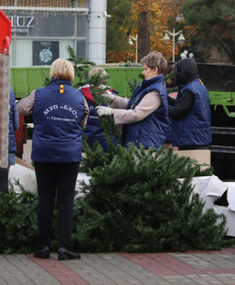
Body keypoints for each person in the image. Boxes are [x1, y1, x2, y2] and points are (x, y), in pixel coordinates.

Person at [17, 58, 88, 261]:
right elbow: (83, 121)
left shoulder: (38, 94)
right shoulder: (79, 97)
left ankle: (42, 247)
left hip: (44, 154)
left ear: (53, 73)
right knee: (66, 200)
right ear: (71, 74)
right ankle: (65, 247)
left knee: (45, 199)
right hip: (69, 155)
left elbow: (22, 108)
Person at [96, 51, 171, 149]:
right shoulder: (148, 87)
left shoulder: (155, 91)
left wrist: (112, 112)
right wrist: (113, 98)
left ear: (155, 70)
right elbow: (132, 103)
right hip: (140, 140)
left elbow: (137, 113)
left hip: (145, 144)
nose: (143, 72)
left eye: (145, 69)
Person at [168, 58, 211, 152]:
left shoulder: (189, 90)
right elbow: (182, 105)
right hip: (199, 138)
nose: (176, 75)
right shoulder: (198, 85)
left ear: (185, 71)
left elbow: (179, 111)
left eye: (178, 71)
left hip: (192, 141)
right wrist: (166, 99)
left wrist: (161, 105)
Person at [80, 67, 117, 151]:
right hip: (107, 143)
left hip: (84, 142)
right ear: (105, 80)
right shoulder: (112, 97)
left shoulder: (78, 95)